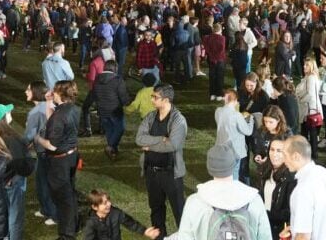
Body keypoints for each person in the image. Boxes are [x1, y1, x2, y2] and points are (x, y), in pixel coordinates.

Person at [168, 144, 271, 240]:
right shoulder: (254, 199)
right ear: (233, 165)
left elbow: (185, 237)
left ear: (209, 168)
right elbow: (266, 237)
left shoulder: (195, 202)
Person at [136, 84, 187, 240]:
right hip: (152, 172)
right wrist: (160, 139)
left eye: (155, 97)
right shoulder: (151, 116)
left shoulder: (178, 120)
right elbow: (139, 139)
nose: (152, 99)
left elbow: (172, 145)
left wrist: (149, 146)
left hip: (171, 173)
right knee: (156, 211)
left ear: (166, 100)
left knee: (180, 212)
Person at [35, 80, 80, 240]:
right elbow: (52, 119)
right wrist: (48, 102)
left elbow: (52, 146)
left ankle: (67, 234)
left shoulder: (60, 116)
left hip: (59, 161)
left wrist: (37, 138)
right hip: (72, 155)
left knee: (62, 198)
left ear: (60, 93)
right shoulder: (72, 109)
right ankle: (74, 223)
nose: (51, 93)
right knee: (70, 193)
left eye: (54, 91)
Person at [0, 104, 33, 240]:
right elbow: (20, 163)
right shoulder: (11, 139)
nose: (10, 113)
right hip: (11, 181)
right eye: (8, 112)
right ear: (3, 118)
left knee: (1, 214)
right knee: (14, 215)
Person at [281, 136, 326, 240]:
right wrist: (294, 228)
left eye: (285, 155)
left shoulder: (302, 190)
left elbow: (303, 235)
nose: (283, 160)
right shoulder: (324, 173)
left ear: (296, 156)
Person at [23, 81, 57, 226]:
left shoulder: (35, 112)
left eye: (29, 89)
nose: (26, 91)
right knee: (42, 182)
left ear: (36, 92)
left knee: (45, 184)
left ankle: (54, 214)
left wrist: (20, 146)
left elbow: (29, 136)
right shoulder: (49, 107)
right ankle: (45, 209)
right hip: (48, 151)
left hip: (45, 152)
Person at [83, 189, 160, 240]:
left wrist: (145, 231)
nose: (109, 204)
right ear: (95, 207)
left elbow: (131, 223)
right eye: (105, 203)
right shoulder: (90, 222)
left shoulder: (116, 213)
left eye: (109, 200)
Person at [258, 138, 296, 240]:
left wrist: (266, 214)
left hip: (280, 231)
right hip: (264, 226)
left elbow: (289, 212)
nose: (274, 154)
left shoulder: (291, 178)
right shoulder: (265, 170)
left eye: (279, 151)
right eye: (272, 149)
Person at [214, 89, 254, 182]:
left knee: (223, 175)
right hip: (234, 151)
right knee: (234, 176)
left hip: (221, 149)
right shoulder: (237, 115)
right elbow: (248, 131)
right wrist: (250, 120)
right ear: (236, 100)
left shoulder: (218, 111)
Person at [95, 59, 131, 159]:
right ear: (115, 68)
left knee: (109, 130)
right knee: (119, 129)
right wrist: (127, 102)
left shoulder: (97, 78)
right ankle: (110, 147)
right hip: (115, 110)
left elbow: (95, 93)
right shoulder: (118, 80)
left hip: (102, 109)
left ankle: (113, 150)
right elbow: (123, 96)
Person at [252, 105, 293, 186]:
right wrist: (257, 156)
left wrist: (270, 160)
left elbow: (290, 154)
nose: (267, 125)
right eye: (265, 121)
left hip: (280, 172)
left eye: (271, 122)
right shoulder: (261, 132)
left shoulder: (286, 135)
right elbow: (258, 149)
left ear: (278, 120)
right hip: (263, 171)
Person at [296, 58, 322, 160]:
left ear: (311, 66)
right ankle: (310, 154)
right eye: (304, 64)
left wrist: (300, 98)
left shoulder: (311, 78)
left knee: (309, 134)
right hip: (309, 110)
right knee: (310, 134)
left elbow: (311, 95)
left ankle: (310, 155)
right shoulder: (309, 77)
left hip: (310, 111)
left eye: (307, 65)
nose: (304, 67)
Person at [202, 23, 226, 101]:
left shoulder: (207, 38)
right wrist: (216, 57)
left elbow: (206, 48)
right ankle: (219, 94)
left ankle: (212, 94)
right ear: (220, 30)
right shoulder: (222, 38)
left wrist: (211, 56)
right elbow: (221, 50)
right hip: (219, 60)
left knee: (212, 76)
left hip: (211, 59)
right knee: (219, 77)